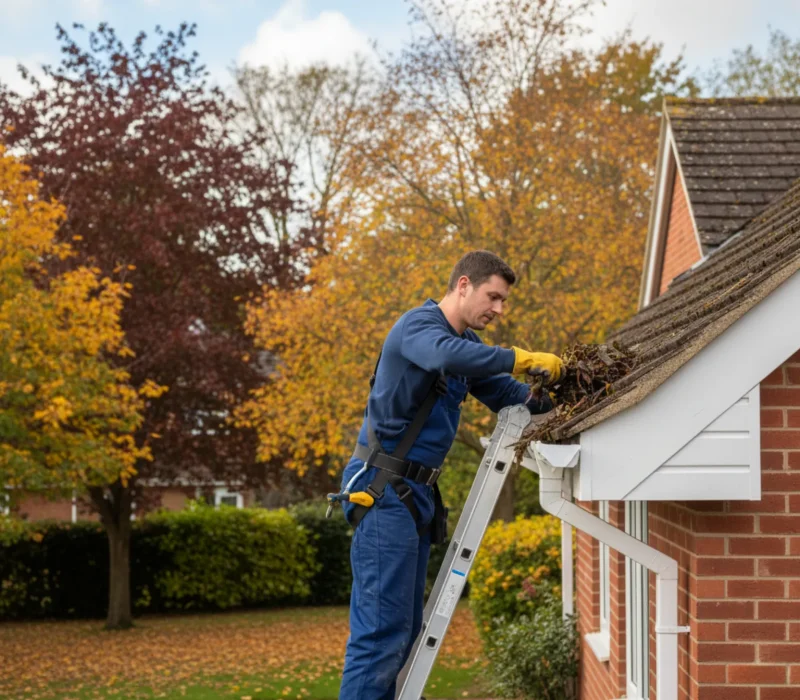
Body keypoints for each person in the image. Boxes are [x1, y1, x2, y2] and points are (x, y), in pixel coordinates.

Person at [337, 250, 563, 700]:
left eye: (503, 302)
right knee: (382, 635)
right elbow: (443, 354)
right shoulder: (417, 328)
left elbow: (516, 399)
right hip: (382, 492)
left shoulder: (471, 352)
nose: (498, 310)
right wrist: (518, 355)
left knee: (407, 629)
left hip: (415, 496)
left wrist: (570, 385)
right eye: (492, 297)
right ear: (463, 285)